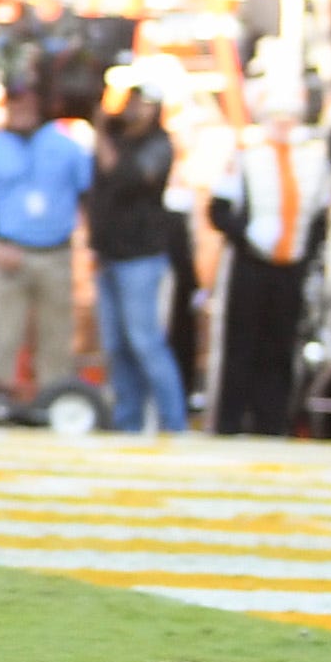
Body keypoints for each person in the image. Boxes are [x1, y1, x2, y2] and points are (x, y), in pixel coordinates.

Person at [208, 81, 331, 437]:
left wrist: (310, 259)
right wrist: (246, 233)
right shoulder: (248, 157)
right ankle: (231, 421)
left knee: (280, 347)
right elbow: (217, 210)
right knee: (241, 345)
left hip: (290, 266)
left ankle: (272, 421)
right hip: (252, 264)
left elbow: (321, 218)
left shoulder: (313, 161)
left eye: (290, 118)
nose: (284, 126)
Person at [0, 85, 91, 398]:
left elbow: (89, 196)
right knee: (3, 332)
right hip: (10, 251)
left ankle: (52, 398)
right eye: (14, 102)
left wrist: (91, 244)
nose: (20, 109)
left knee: (56, 334)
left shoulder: (66, 146)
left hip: (55, 251)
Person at [86, 73, 189, 434]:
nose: (134, 109)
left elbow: (125, 176)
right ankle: (127, 423)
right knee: (116, 347)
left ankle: (173, 423)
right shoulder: (116, 138)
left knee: (145, 342)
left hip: (141, 257)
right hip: (109, 255)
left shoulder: (158, 145)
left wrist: (99, 131)